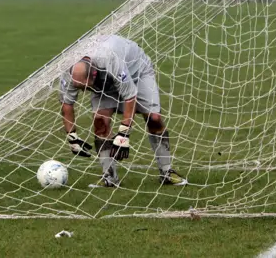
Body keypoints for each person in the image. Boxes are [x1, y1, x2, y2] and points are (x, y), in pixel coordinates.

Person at [59, 35, 187, 188]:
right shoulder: (68, 71)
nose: (85, 91)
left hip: (137, 72)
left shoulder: (110, 59)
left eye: (86, 87)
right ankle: (109, 177)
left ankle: (167, 172)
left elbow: (130, 97)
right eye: (80, 88)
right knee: (100, 121)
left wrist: (123, 134)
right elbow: (67, 104)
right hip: (105, 81)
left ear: (94, 73)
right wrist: (72, 137)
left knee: (153, 118)